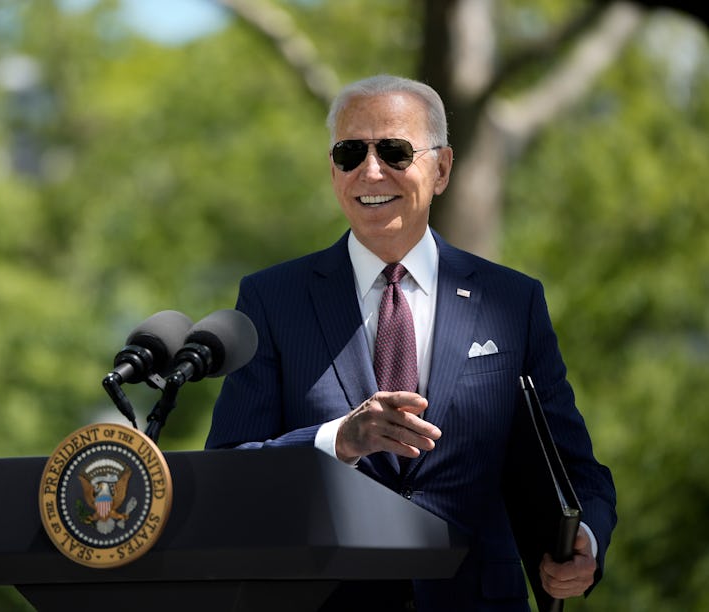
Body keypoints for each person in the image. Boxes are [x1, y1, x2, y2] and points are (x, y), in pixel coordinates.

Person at [205, 74, 617, 611]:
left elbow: (576, 470)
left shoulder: (513, 302)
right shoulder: (271, 299)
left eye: (395, 152)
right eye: (350, 152)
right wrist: (340, 441)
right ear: (333, 169)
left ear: (441, 168)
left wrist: (582, 540)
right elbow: (228, 473)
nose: (371, 171)